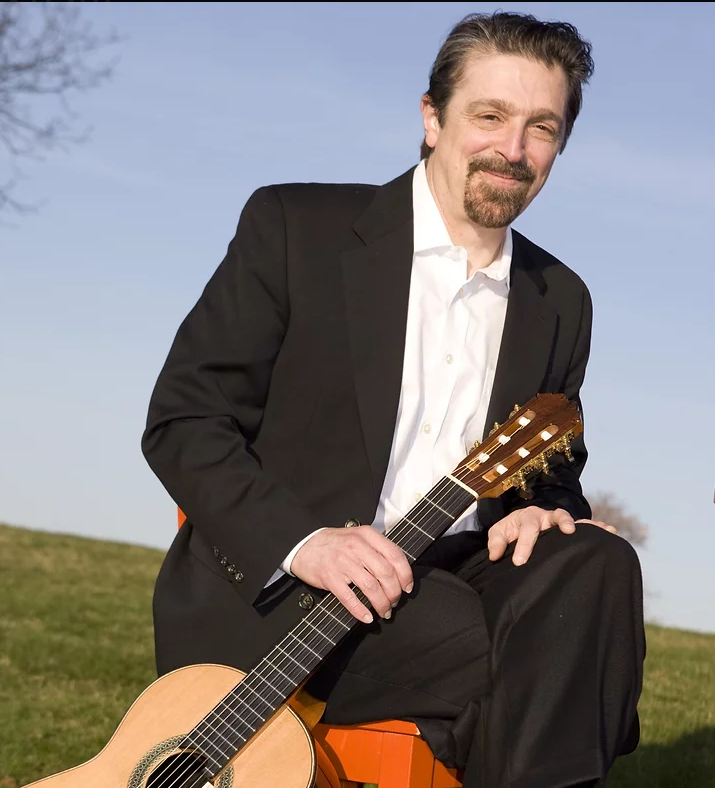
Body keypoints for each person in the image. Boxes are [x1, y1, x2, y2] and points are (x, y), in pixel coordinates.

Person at [141, 11, 645, 788]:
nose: (512, 151)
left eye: (540, 128)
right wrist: (305, 541)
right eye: (489, 116)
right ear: (431, 116)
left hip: (457, 569)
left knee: (597, 566)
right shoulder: (294, 227)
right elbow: (185, 420)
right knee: (555, 653)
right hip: (283, 590)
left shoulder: (560, 299)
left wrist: (542, 505)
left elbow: (551, 470)